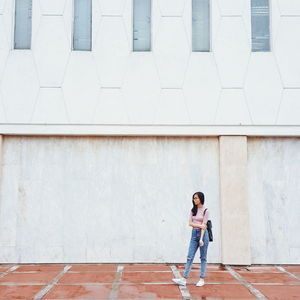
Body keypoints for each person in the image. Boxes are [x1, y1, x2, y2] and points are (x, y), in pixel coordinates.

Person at [172, 192, 209, 287]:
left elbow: (204, 227)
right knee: (189, 256)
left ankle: (202, 279)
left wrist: (201, 239)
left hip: (203, 235)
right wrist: (200, 225)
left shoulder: (206, 210)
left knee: (203, 257)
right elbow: (190, 223)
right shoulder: (193, 210)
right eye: (193, 198)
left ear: (201, 198)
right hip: (194, 234)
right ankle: (184, 279)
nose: (194, 200)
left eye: (196, 198)